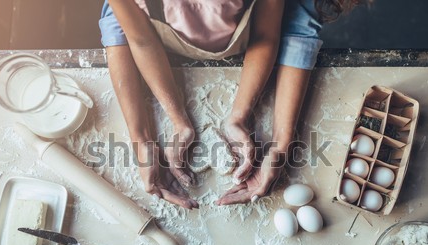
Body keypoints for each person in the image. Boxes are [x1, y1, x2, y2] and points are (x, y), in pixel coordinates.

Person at [99, 0, 363, 208]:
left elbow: (268, 33)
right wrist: (146, 137)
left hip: (251, 36)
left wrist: (278, 140)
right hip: (156, 38)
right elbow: (140, 38)